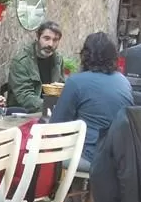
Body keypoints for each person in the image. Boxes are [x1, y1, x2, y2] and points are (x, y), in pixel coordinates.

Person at [51, 32, 134, 172]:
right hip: (119, 158)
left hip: (90, 157)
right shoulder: (124, 82)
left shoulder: (76, 82)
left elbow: (56, 125)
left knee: (39, 153)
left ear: (85, 55)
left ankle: (55, 192)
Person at [7, 21, 66, 113]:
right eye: (46, 38)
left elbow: (60, 87)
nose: (50, 44)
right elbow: (24, 96)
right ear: (37, 37)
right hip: (24, 113)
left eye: (55, 40)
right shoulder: (21, 61)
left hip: (50, 112)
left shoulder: (58, 59)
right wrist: (50, 106)